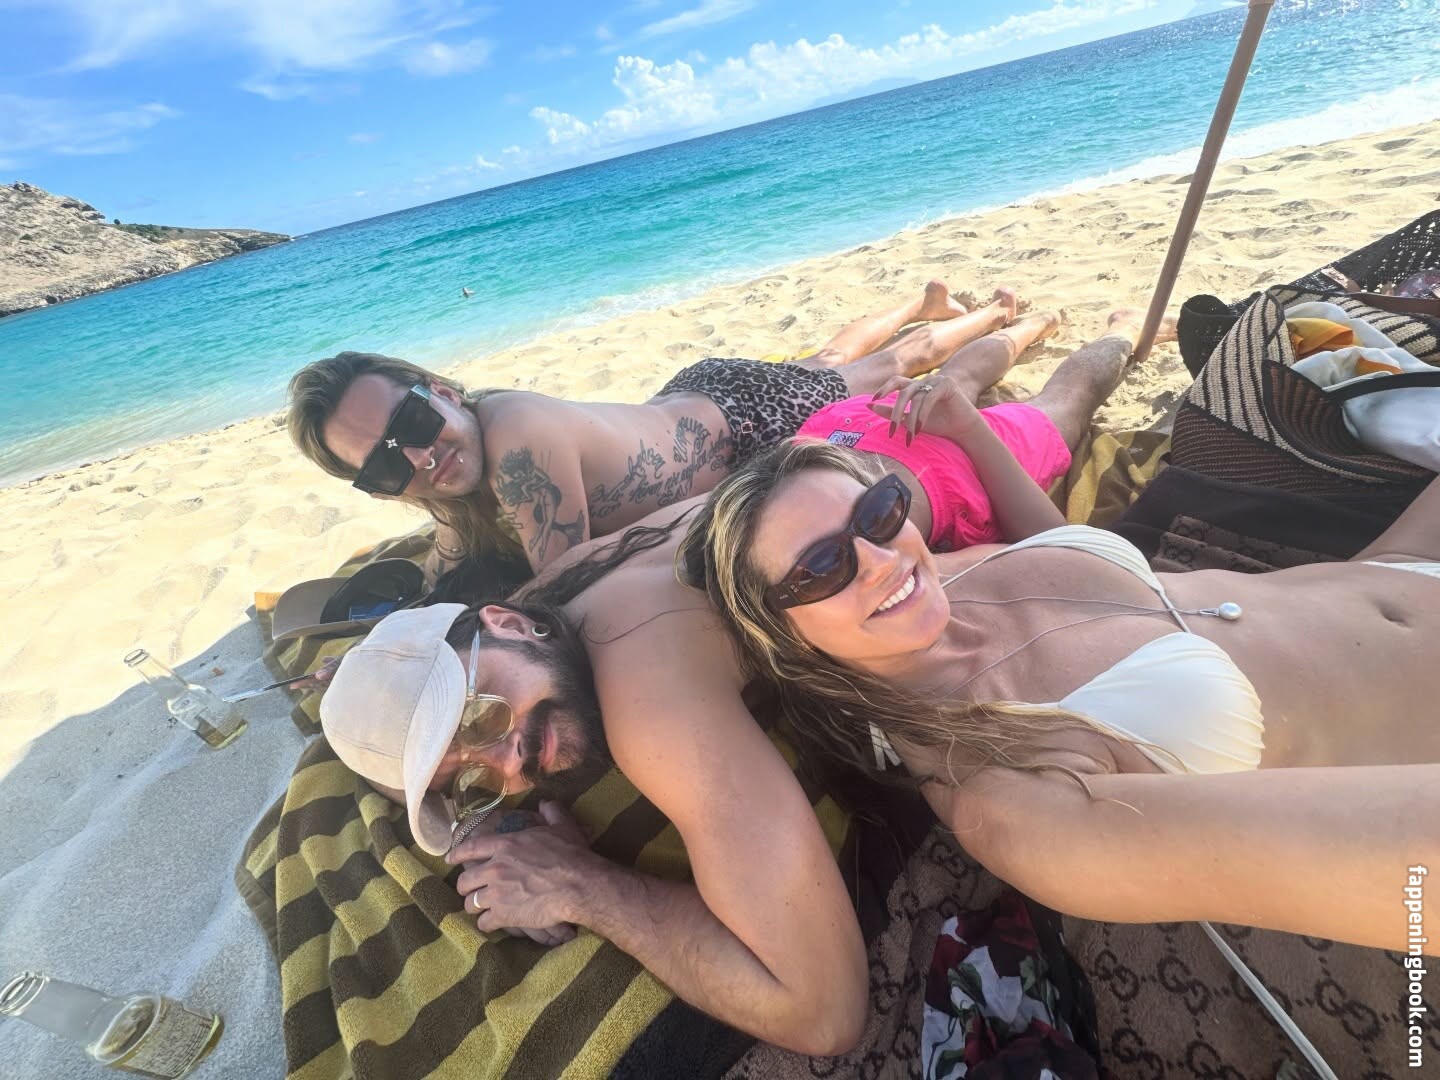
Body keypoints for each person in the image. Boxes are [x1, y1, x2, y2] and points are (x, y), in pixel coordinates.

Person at [314, 314, 1165, 1054]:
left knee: (1065, 403)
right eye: (469, 775)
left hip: (917, 481)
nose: (507, 757)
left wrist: (582, 884)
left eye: (479, 713)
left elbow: (823, 1009)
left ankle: (1121, 330)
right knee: (960, 385)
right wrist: (451, 783)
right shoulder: (548, 592)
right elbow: (436, 731)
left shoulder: (651, 702)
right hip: (828, 443)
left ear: (502, 622)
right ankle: (1001, 336)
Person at [678, 386, 1440, 956]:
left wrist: (971, 430)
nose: (880, 560)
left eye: (877, 513)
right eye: (821, 566)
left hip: (1396, 565)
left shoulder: (945, 580)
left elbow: (1070, 552)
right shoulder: (1013, 797)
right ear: (784, 638)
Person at [287, 282, 1018, 584]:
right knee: (827, 358)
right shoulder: (445, 478)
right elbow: (443, 566)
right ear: (379, 490)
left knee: (886, 367)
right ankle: (919, 299)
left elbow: (563, 586)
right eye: (386, 466)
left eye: (413, 422)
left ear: (443, 393)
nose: (419, 456)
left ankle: (992, 315)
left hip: (741, 416)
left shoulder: (513, 434)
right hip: (686, 400)